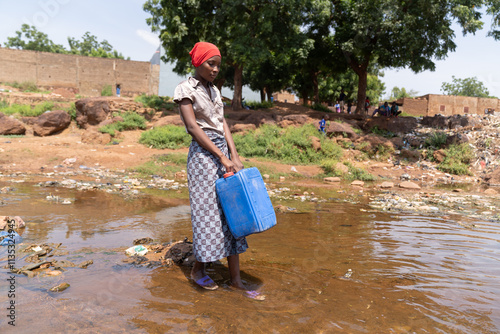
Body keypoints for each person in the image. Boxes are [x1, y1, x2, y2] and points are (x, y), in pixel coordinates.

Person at [173, 42, 265, 301]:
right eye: (210, 64)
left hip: (223, 153)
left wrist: (234, 155)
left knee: (231, 213)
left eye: (217, 65)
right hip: (203, 157)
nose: (214, 69)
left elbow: (223, 123)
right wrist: (222, 156)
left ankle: (235, 280)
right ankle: (198, 269)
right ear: (198, 62)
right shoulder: (185, 89)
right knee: (208, 213)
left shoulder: (214, 90)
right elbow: (193, 127)